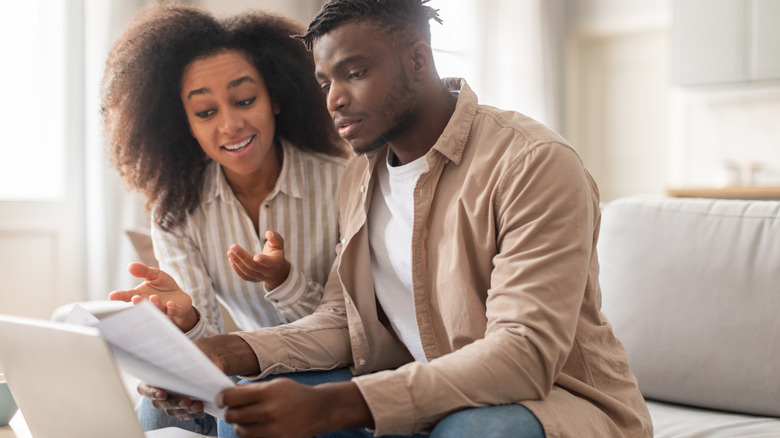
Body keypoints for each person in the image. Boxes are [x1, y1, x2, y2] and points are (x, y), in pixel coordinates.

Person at [139, 1, 654, 437]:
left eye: (354, 73)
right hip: (422, 392)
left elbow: (522, 357)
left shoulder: (532, 163)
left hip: (555, 403)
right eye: (324, 82)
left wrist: (341, 403)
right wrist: (228, 351)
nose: (334, 99)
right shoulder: (361, 176)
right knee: (247, 409)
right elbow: (344, 323)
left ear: (417, 60)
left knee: (469, 433)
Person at [100, 4, 348, 435]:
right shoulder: (175, 209)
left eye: (245, 100)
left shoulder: (343, 182)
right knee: (157, 404)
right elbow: (206, 344)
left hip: (337, 365)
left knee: (243, 410)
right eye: (206, 112)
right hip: (241, 362)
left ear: (275, 99)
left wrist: (284, 281)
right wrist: (185, 319)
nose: (231, 125)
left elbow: (349, 327)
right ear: (185, 126)